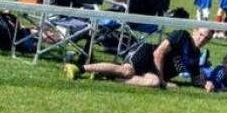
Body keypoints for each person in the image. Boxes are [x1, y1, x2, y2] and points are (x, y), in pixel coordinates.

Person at [67, 27, 214, 89]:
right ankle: (79, 68)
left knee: (153, 83)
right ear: (194, 31)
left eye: (206, 38)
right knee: (127, 72)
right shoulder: (182, 36)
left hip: (153, 70)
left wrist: (206, 84)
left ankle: (106, 75)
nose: (202, 39)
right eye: (200, 34)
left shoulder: (195, 56)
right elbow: (158, 53)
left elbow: (195, 78)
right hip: (147, 54)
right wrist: (163, 80)